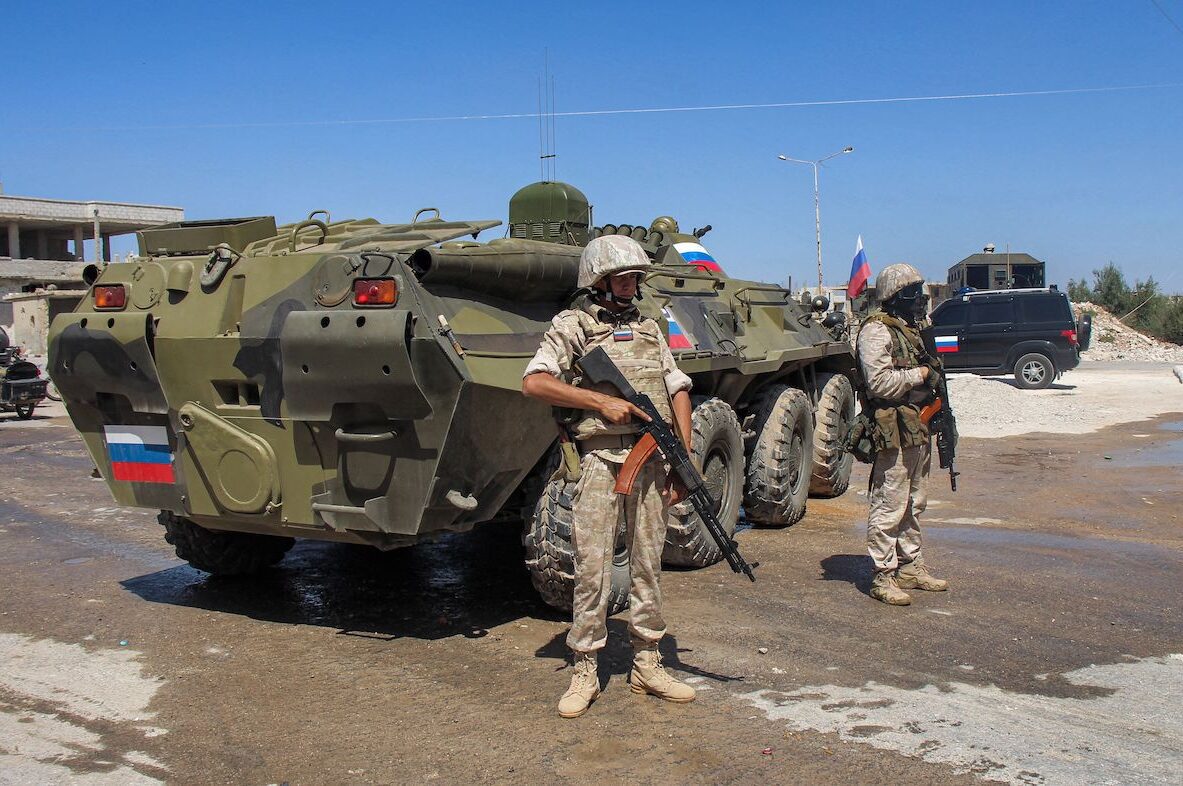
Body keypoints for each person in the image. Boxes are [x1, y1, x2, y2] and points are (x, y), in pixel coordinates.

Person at [522, 234, 696, 718]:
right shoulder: (573, 325)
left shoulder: (648, 326)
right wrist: (600, 402)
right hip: (600, 461)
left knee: (647, 564)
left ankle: (647, 662)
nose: (630, 283)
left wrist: (683, 452)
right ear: (598, 281)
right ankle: (584, 668)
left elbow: (677, 386)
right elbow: (534, 381)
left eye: (634, 276)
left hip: (652, 458)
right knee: (593, 567)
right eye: (621, 276)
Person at [856, 263, 950, 606]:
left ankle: (910, 565)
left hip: (918, 424)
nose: (919, 300)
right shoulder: (876, 332)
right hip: (893, 426)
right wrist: (921, 374)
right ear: (894, 297)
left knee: (915, 501)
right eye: (912, 293)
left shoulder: (915, 329)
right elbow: (879, 383)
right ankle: (882, 575)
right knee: (890, 502)